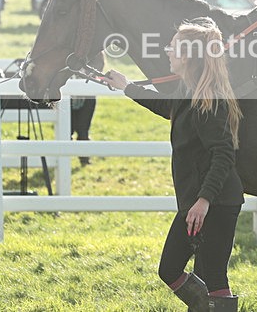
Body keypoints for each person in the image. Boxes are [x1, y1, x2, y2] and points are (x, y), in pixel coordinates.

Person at [103, 19, 243, 312]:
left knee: (183, 271)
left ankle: (206, 307)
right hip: (200, 200)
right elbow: (168, 108)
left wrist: (203, 201)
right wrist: (126, 86)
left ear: (190, 55)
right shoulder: (187, 89)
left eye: (174, 47)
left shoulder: (209, 98)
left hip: (213, 202)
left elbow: (224, 154)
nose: (168, 51)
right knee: (206, 277)